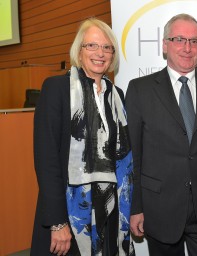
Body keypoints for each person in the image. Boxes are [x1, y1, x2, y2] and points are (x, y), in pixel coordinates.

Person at [126, 13, 197, 256]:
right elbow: (135, 157)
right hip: (159, 208)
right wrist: (136, 207)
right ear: (165, 45)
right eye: (179, 39)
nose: (187, 48)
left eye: (195, 41)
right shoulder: (140, 90)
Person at [30, 17, 135, 256]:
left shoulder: (117, 95)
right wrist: (58, 222)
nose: (100, 53)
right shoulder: (56, 89)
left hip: (111, 211)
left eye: (107, 47)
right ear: (79, 51)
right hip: (71, 211)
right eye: (92, 46)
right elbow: (46, 161)